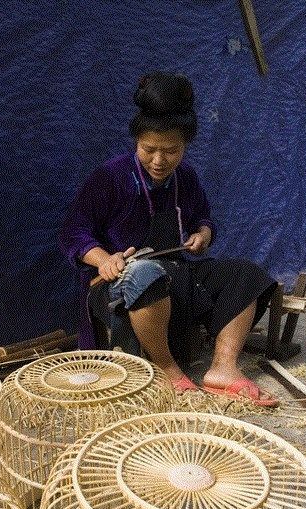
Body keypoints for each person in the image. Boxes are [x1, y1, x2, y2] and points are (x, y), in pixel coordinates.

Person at [59, 71, 278, 406]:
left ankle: (223, 368)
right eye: (149, 149)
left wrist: (202, 234)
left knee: (245, 275)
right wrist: (104, 259)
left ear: (185, 146)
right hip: (118, 281)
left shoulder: (185, 177)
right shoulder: (110, 177)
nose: (159, 161)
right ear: (136, 141)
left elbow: (202, 217)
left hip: (174, 272)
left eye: (171, 151)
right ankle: (168, 371)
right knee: (144, 274)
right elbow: (73, 232)